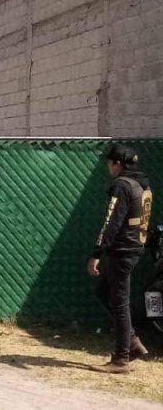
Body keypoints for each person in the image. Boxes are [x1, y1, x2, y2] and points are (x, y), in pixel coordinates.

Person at [89, 144, 153, 373]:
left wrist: (97, 252)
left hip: (123, 250)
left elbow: (111, 222)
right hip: (134, 247)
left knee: (119, 302)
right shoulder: (141, 184)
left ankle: (121, 358)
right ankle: (132, 342)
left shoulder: (122, 185)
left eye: (110, 162)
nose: (108, 165)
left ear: (118, 163)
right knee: (104, 293)